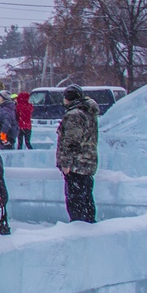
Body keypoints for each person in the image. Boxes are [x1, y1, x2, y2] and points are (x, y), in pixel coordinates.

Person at [57, 85, 100, 223]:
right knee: (86, 199)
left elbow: (71, 142)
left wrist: (65, 163)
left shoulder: (74, 115)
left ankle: (78, 230)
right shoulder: (88, 113)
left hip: (76, 165)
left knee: (75, 201)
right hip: (88, 163)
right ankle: (89, 226)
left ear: (67, 98)